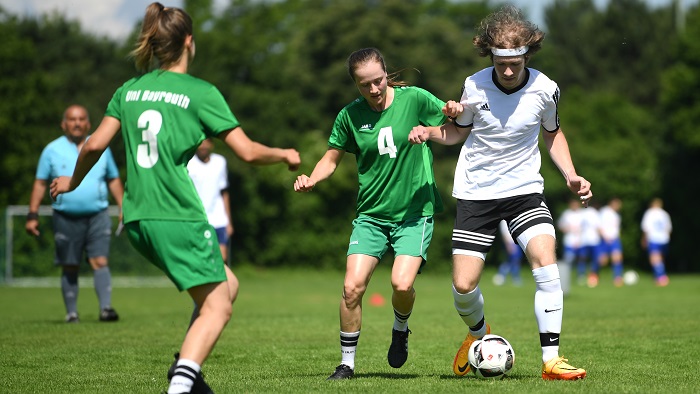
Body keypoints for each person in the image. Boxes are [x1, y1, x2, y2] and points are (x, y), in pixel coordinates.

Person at [50, 3, 300, 393]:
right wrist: (285, 155)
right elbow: (248, 152)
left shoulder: (128, 91)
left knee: (226, 285)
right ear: (188, 41)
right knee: (220, 306)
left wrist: (72, 183)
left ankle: (186, 366)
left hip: (137, 219)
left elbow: (93, 145)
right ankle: (182, 383)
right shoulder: (201, 92)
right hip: (178, 215)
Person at [408, 5, 589, 380]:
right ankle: (479, 335)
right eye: (501, 63)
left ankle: (551, 361)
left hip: (524, 189)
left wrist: (571, 174)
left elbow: (552, 133)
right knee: (463, 285)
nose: (508, 71)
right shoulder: (474, 86)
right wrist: (430, 132)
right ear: (490, 54)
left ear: (526, 55)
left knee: (545, 261)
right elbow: (459, 131)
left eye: (515, 63)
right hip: (476, 192)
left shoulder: (546, 88)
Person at [294, 47, 457, 380]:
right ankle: (347, 364)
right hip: (371, 216)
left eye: (378, 81)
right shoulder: (349, 116)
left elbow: (453, 126)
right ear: (355, 84)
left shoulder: (414, 99)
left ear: (387, 74)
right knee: (352, 287)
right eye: (364, 85)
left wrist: (452, 110)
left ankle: (400, 328)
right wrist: (313, 177)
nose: (373, 90)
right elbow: (330, 158)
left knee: (400, 284)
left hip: (414, 213)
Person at [26, 104, 123, 324]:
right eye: (72, 119)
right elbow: (40, 183)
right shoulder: (51, 150)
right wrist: (32, 214)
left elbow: (113, 179)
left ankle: (106, 309)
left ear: (88, 124)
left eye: (81, 119)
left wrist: (122, 206)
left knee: (100, 260)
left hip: (97, 214)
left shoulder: (100, 147)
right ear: (63, 124)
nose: (77, 123)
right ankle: (72, 313)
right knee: (70, 264)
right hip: (65, 216)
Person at [188, 138, 234, 263]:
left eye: (206, 142)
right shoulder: (189, 164)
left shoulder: (220, 162)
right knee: (202, 258)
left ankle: (224, 283)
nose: (203, 146)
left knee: (222, 258)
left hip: (218, 218)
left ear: (211, 145)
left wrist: (229, 221)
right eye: (200, 143)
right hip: (198, 218)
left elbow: (224, 192)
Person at [641, 198, 672, 286]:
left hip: (653, 238)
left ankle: (661, 277)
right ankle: (658, 277)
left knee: (654, 259)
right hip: (664, 239)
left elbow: (646, 228)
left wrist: (644, 239)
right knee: (660, 259)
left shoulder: (649, 213)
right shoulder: (665, 214)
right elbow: (668, 229)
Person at [598, 197, 625, 286]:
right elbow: (599, 226)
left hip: (615, 239)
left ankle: (617, 278)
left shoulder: (617, 215)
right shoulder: (604, 212)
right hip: (605, 239)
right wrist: (604, 236)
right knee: (602, 261)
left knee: (617, 258)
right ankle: (594, 275)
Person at [577, 202, 602, 287]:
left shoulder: (582, 212)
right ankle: (593, 275)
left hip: (583, 239)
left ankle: (581, 276)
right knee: (595, 259)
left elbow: (579, 227)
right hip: (594, 240)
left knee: (582, 258)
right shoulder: (595, 213)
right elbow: (598, 227)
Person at [492, 220, 524, 286]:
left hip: (515, 241)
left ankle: (502, 276)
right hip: (510, 242)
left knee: (512, 260)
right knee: (514, 260)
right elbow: (504, 233)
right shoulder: (503, 221)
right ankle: (508, 276)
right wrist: (508, 244)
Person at [557, 198, 583, 267]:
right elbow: (560, 225)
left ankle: (581, 274)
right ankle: (567, 272)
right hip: (569, 240)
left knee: (581, 258)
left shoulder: (582, 214)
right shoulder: (566, 214)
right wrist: (565, 229)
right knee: (569, 258)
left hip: (581, 240)